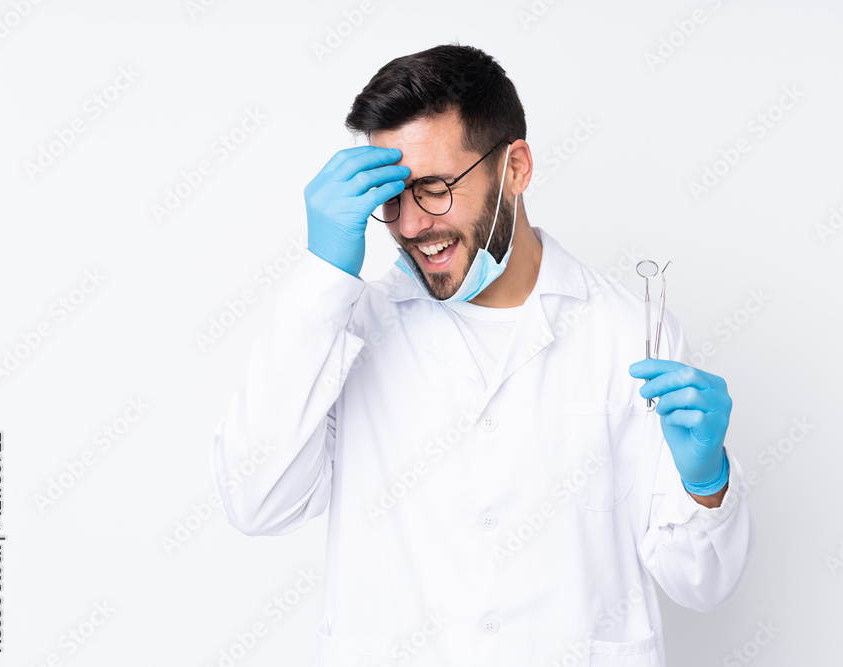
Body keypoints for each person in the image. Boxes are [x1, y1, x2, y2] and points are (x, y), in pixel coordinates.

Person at [210, 43, 755, 667]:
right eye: (391, 198)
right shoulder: (348, 328)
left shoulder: (627, 333)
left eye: (434, 189)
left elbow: (704, 584)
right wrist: (321, 278)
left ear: (515, 168)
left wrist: (706, 482)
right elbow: (256, 502)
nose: (410, 225)